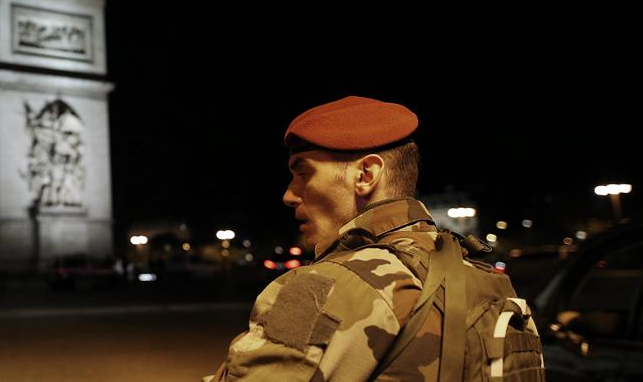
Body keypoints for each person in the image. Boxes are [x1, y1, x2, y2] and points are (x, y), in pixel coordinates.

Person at [206, 96, 481, 381]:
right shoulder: (481, 279)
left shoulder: (325, 286)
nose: (289, 195)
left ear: (365, 175)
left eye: (303, 173)